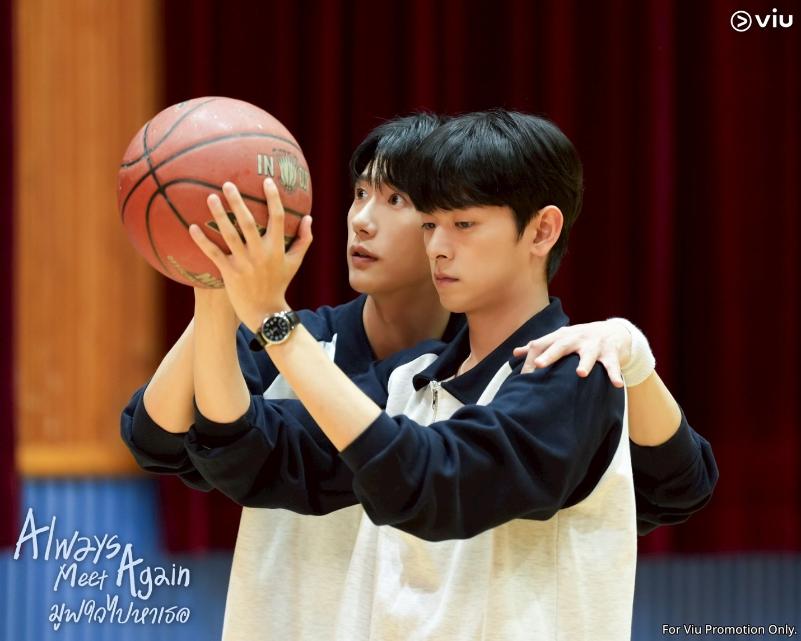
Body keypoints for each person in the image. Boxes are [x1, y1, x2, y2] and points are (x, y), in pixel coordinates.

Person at [183, 110, 716, 639]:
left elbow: (432, 483)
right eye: (430, 224)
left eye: (463, 224)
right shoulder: (410, 379)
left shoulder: (574, 372)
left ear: (542, 230)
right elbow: (247, 453)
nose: (438, 247)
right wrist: (215, 286)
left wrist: (274, 321)